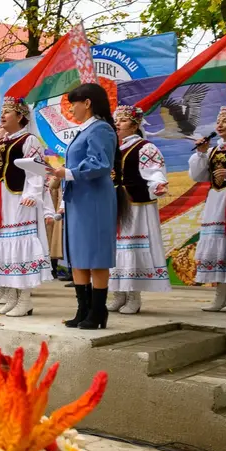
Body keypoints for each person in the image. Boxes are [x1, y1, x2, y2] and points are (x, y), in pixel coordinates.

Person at [0, 98, 52, 317]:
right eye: (2, 111)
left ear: (20, 116)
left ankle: (24, 299)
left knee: (18, 243)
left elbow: (36, 170)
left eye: (7, 111)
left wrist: (32, 193)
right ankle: (12, 297)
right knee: (3, 245)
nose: (2, 115)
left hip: (18, 198)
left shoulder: (30, 140)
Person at [51, 83, 119, 330]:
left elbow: (100, 163)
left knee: (96, 255)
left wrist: (67, 172)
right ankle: (84, 310)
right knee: (79, 255)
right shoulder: (85, 130)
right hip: (79, 198)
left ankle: (98, 311)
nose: (71, 108)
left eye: (74, 103)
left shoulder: (101, 129)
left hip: (94, 200)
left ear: (87, 103)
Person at [107, 105, 171, 315]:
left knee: (132, 248)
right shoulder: (115, 149)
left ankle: (133, 295)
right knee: (116, 249)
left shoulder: (146, 147)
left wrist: (158, 185)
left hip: (136, 206)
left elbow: (155, 173)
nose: (117, 123)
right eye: (116, 120)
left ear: (135, 125)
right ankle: (119, 293)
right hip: (116, 204)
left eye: (123, 120)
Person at [190, 104, 226, 314]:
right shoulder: (214, 149)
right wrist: (200, 154)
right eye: (218, 121)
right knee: (219, 249)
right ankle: (222, 295)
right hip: (217, 203)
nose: (220, 124)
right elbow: (199, 176)